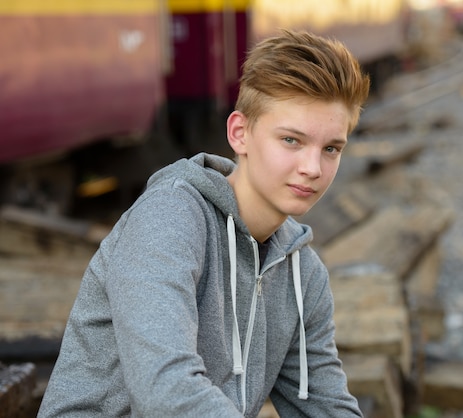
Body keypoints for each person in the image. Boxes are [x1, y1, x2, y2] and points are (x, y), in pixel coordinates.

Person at [38, 29, 370, 417]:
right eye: (292, 141)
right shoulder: (168, 221)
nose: (312, 168)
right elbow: (165, 391)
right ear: (240, 133)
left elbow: (327, 405)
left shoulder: (303, 274)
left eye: (331, 149)